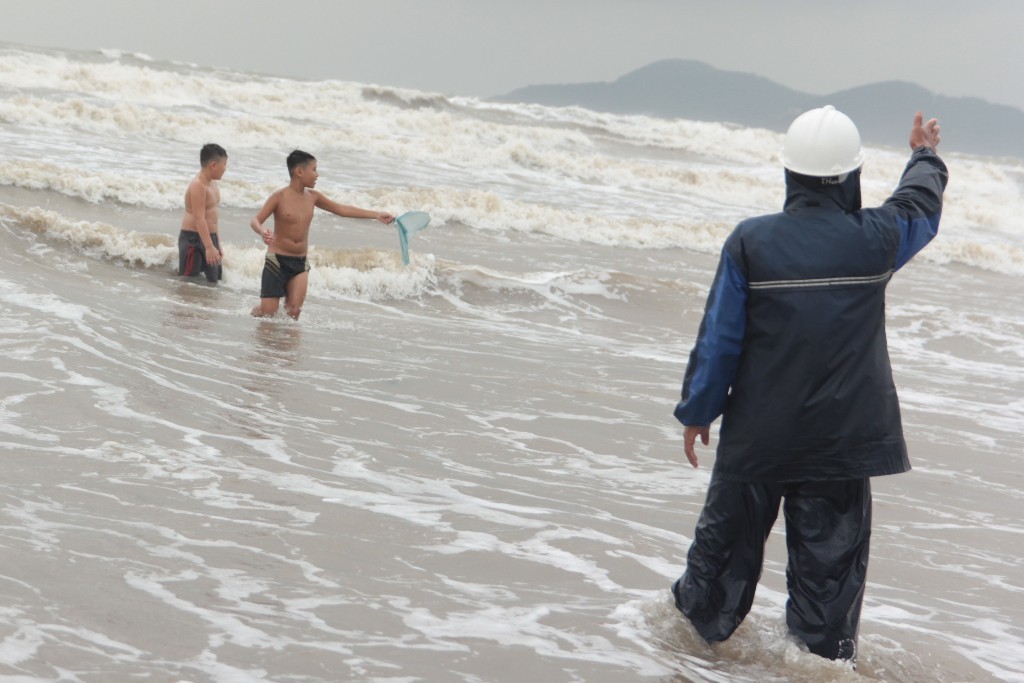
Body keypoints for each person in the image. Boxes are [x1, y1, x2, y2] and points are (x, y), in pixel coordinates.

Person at [670, 108, 946, 664]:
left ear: (789, 172)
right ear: (852, 174)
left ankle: (685, 667)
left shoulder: (751, 242)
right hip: (841, 446)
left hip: (758, 438)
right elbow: (920, 206)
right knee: (827, 610)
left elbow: (722, 337)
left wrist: (698, 411)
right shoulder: (877, 238)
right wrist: (925, 155)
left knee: (711, 582)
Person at [250, 149, 394, 319]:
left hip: (300, 262)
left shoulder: (313, 197)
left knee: (294, 312)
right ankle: (254, 312)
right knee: (268, 312)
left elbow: (342, 209)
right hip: (277, 260)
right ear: (299, 171)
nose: (317, 175)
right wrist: (262, 231)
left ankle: (286, 343)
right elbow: (255, 220)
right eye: (314, 170)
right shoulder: (279, 197)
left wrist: (375, 214)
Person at [179, 143, 228, 282]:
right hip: (193, 239)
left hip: (210, 238)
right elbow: (199, 218)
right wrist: (209, 246)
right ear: (213, 164)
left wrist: (216, 244)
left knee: (214, 281)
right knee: (189, 282)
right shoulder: (198, 185)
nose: (225, 169)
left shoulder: (213, 184)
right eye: (224, 164)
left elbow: (213, 218)